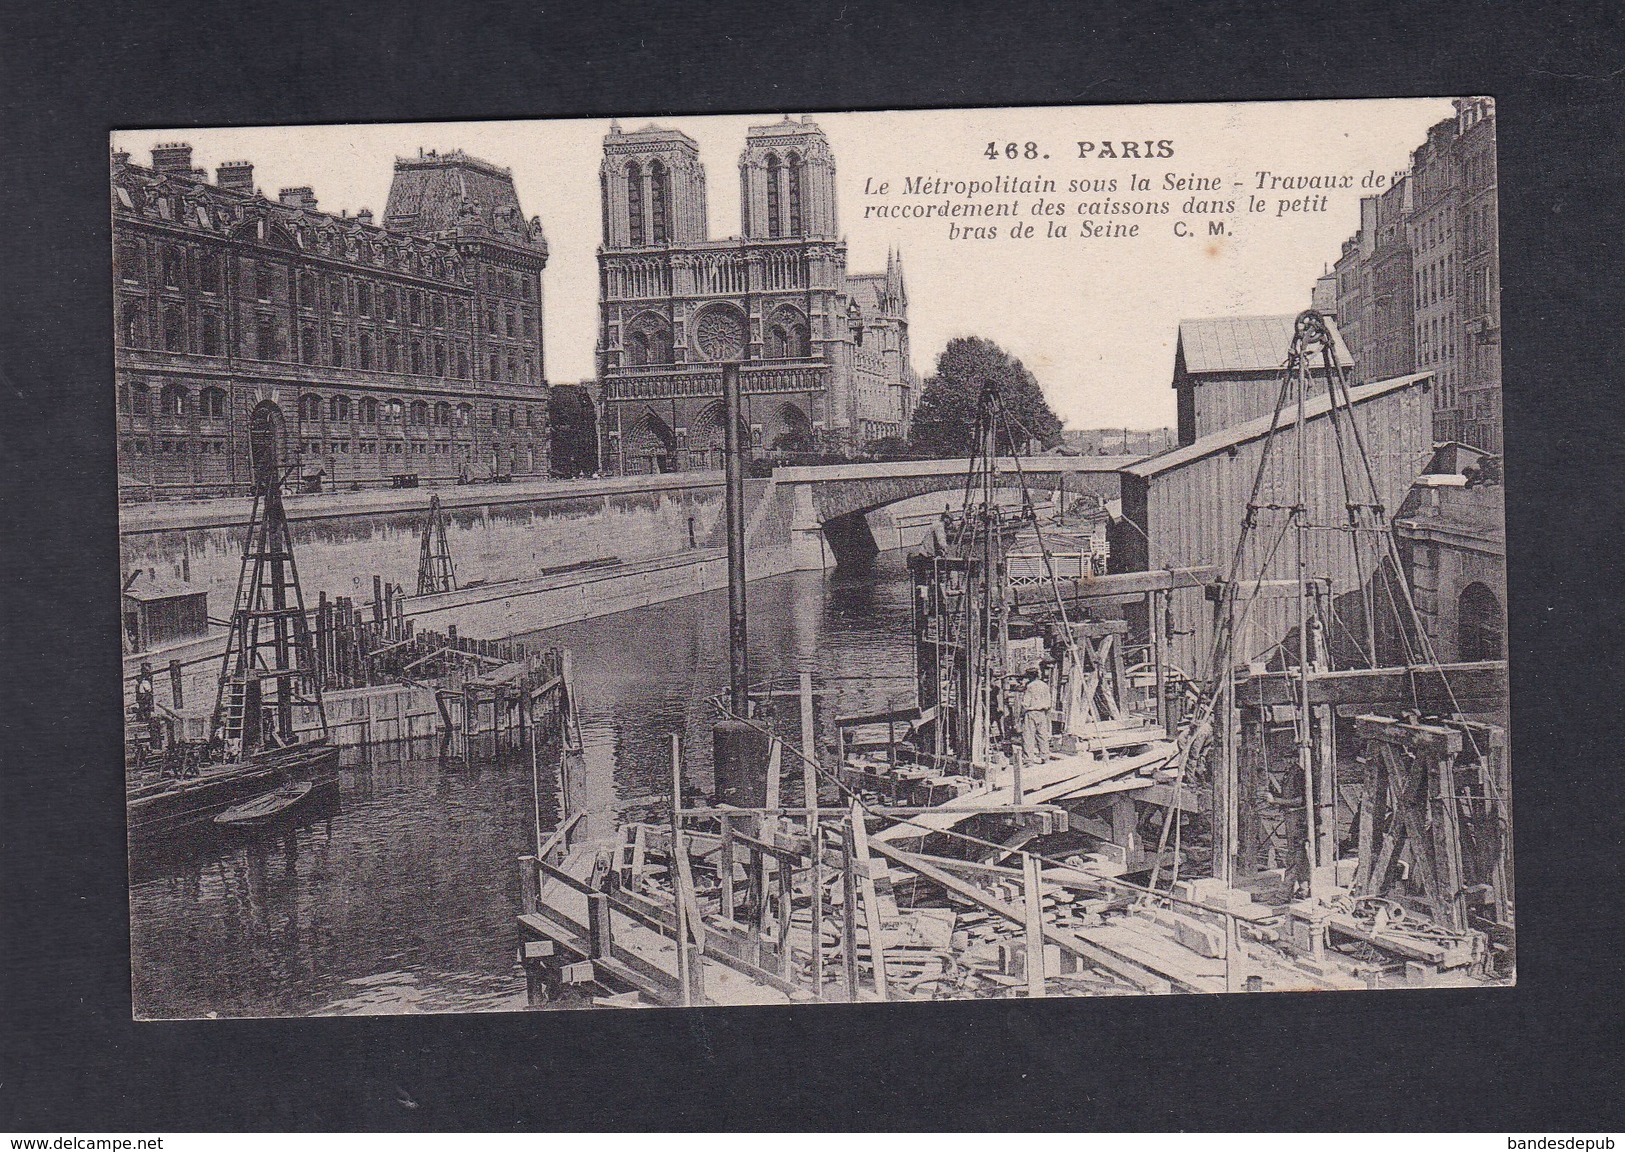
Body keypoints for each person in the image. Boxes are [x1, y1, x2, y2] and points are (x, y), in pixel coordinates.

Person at [1020, 665, 1055, 763]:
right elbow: (1048, 701)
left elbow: (1026, 703)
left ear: (1030, 676)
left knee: (1028, 736)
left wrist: (1021, 715)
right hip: (1042, 713)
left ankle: (1028, 760)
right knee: (1042, 735)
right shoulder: (1044, 685)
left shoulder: (1030, 686)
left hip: (1031, 713)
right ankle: (1045, 757)